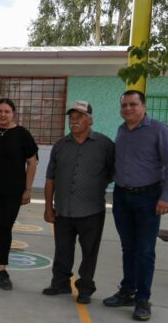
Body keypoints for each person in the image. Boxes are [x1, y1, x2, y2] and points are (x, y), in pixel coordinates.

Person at [103, 90, 168, 321]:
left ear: (143, 106)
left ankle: (143, 299)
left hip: (149, 198)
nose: (128, 108)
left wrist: (166, 196)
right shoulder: (121, 130)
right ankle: (127, 291)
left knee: (145, 250)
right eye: (124, 105)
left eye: (133, 104)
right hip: (122, 197)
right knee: (128, 248)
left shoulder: (159, 130)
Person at [42, 101, 114, 304]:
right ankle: (60, 283)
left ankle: (85, 288)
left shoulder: (105, 144)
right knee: (62, 249)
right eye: (71, 117)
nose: (74, 121)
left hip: (91, 210)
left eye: (80, 117)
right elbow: (50, 178)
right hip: (63, 210)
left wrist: (95, 185)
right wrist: (48, 207)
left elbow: (113, 172)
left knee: (89, 252)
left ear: (90, 120)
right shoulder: (60, 145)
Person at [0, 98, 38, 290]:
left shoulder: (22, 134)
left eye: (7, 111)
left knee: (4, 225)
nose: (3, 115)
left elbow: (32, 162)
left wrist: (28, 189)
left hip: (13, 191)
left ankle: (3, 270)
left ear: (13, 114)